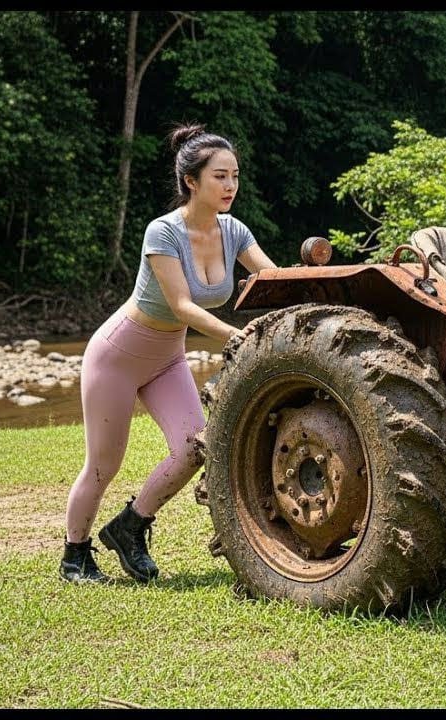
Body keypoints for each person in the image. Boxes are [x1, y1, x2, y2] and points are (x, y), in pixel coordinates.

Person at [60, 124, 277, 583]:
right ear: (191, 181)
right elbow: (181, 304)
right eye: (220, 176)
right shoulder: (163, 232)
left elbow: (270, 278)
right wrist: (236, 336)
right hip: (117, 355)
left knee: (194, 447)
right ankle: (74, 555)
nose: (231, 186)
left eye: (235, 176)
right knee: (104, 464)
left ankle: (131, 526)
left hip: (167, 357)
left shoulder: (234, 231)